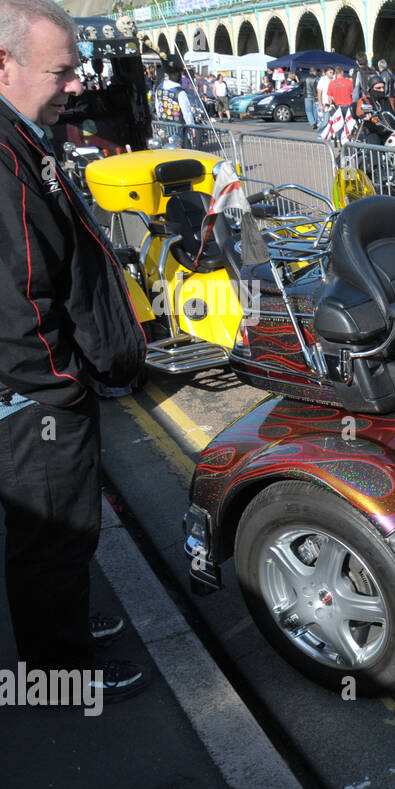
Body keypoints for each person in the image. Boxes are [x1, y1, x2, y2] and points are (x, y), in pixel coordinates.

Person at [0, 0, 150, 700]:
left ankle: (63, 629)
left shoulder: (24, 138)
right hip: (39, 401)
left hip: (44, 393)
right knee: (52, 535)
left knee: (65, 535)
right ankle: (58, 676)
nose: (73, 86)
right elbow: (19, 302)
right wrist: (66, 384)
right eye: (60, 72)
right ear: (5, 65)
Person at [354, 77, 394, 145]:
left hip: (390, 131)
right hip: (372, 131)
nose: (382, 90)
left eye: (383, 87)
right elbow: (361, 110)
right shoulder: (366, 100)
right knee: (374, 142)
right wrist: (367, 114)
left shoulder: (388, 101)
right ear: (371, 89)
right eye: (378, 88)